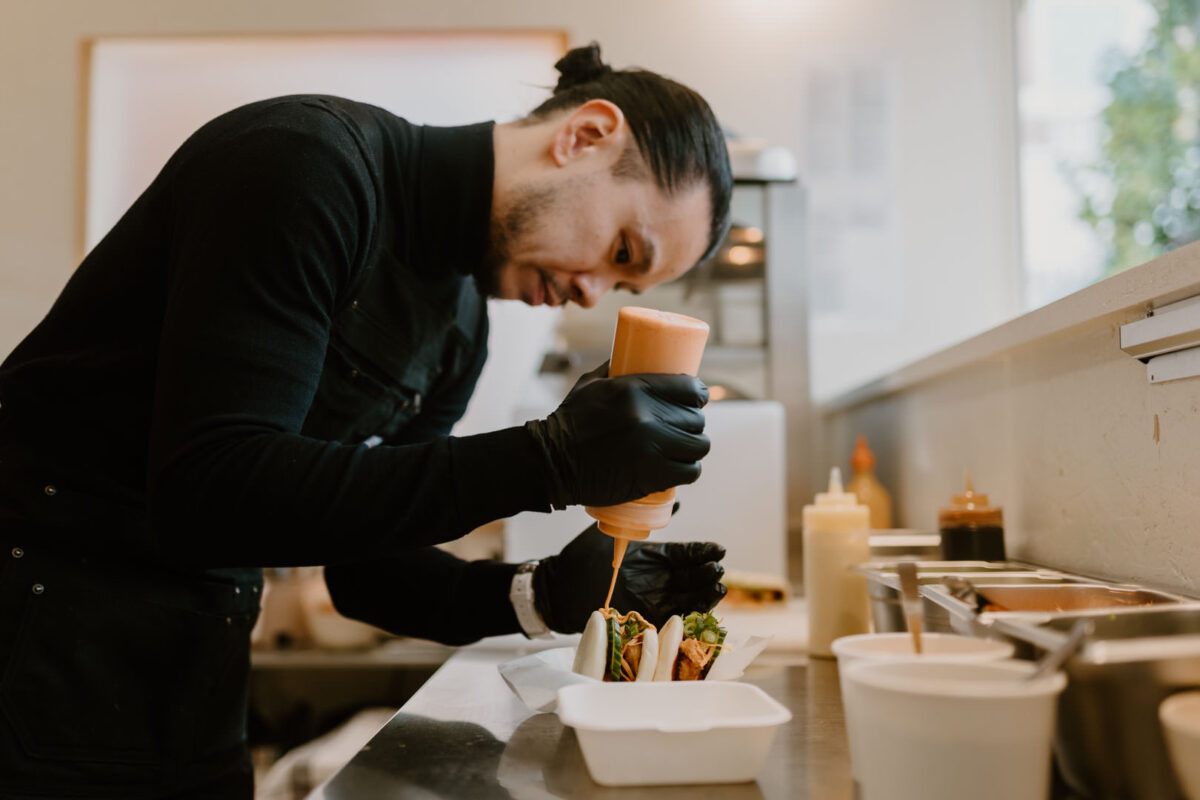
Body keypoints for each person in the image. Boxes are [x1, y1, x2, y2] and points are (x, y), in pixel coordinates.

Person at [0, 42, 732, 798]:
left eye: (619, 284)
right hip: (37, 652)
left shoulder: (459, 327)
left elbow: (367, 574)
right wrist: (544, 461)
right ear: (585, 135)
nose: (591, 293)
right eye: (619, 250)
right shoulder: (306, 165)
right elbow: (208, 492)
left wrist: (544, 594)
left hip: (190, 685)